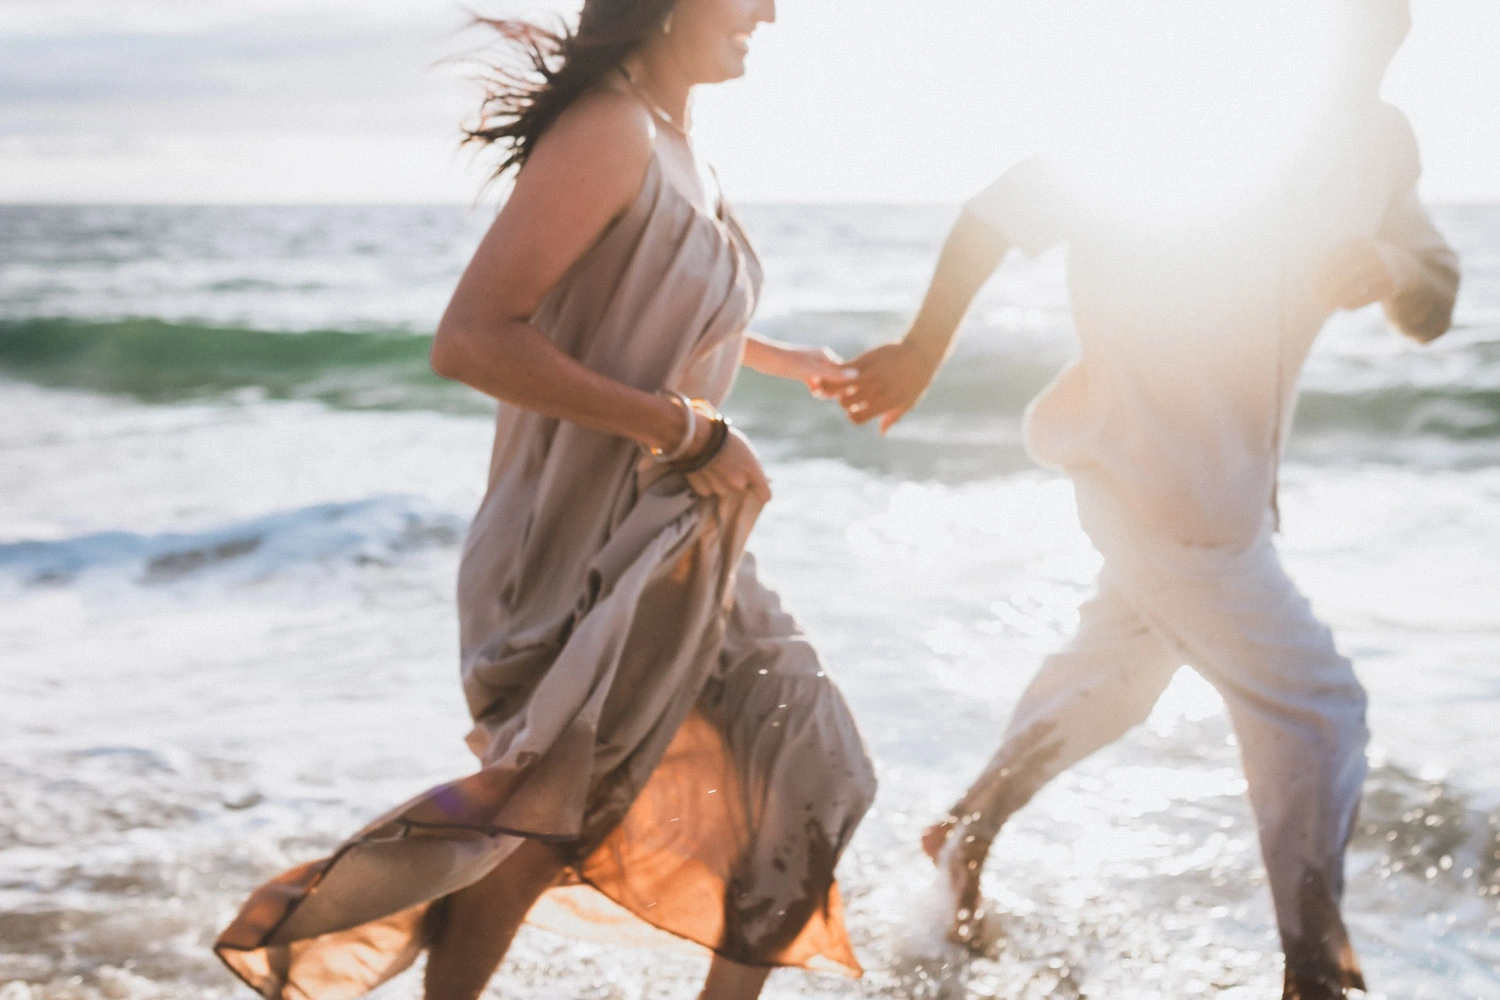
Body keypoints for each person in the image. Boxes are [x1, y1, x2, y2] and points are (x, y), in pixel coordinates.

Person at [214, 2, 876, 998]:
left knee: (810, 768)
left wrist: (783, 361)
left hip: (672, 540)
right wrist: (689, 431)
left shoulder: (676, 140)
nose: (769, 10)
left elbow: (649, 295)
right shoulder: (608, 129)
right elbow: (473, 337)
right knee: (545, 816)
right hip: (582, 548)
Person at [821, 1, 1458, 997]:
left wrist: (1393, 269)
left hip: (1233, 489)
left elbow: (1437, 296)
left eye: (1388, 23)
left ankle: (966, 827)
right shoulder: (1196, 111)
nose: (1372, 37)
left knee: (1116, 680)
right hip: (1148, 468)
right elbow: (1004, 204)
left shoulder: (1382, 141)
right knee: (1321, 709)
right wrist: (923, 350)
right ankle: (1313, 965)